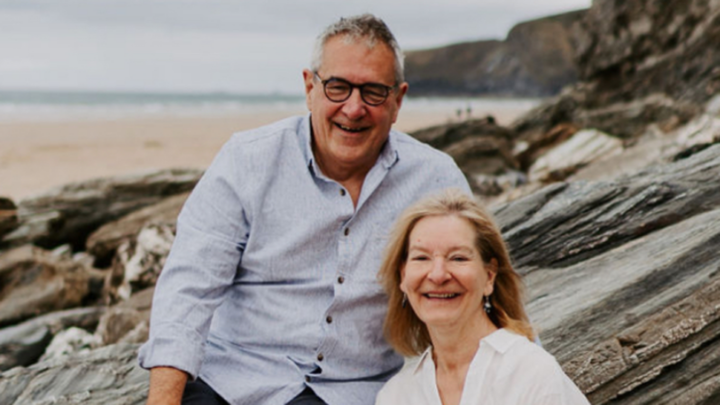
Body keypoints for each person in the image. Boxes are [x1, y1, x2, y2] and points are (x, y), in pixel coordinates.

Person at [138, 14, 471, 405]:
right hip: (230, 377)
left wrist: (522, 369)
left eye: (373, 92)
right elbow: (188, 288)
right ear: (309, 87)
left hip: (350, 390)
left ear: (397, 101)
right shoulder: (247, 160)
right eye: (338, 87)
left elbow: (481, 284)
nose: (354, 107)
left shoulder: (434, 178)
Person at [375, 189, 590, 405]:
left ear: (489, 276)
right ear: (403, 275)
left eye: (458, 258)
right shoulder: (396, 396)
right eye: (421, 257)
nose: (438, 274)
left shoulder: (531, 373)